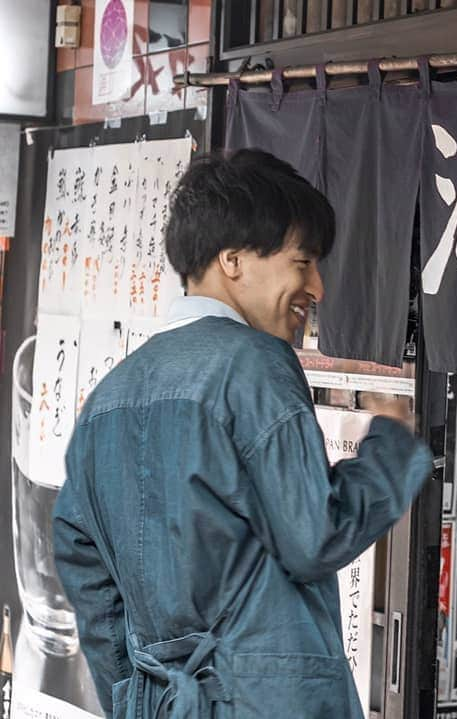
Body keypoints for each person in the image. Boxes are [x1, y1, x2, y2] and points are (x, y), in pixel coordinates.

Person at [52, 149, 433, 719]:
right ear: (232, 260)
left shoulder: (109, 397)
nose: (317, 288)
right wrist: (391, 448)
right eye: (302, 262)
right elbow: (314, 539)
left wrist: (136, 695)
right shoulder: (255, 364)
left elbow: (86, 573)